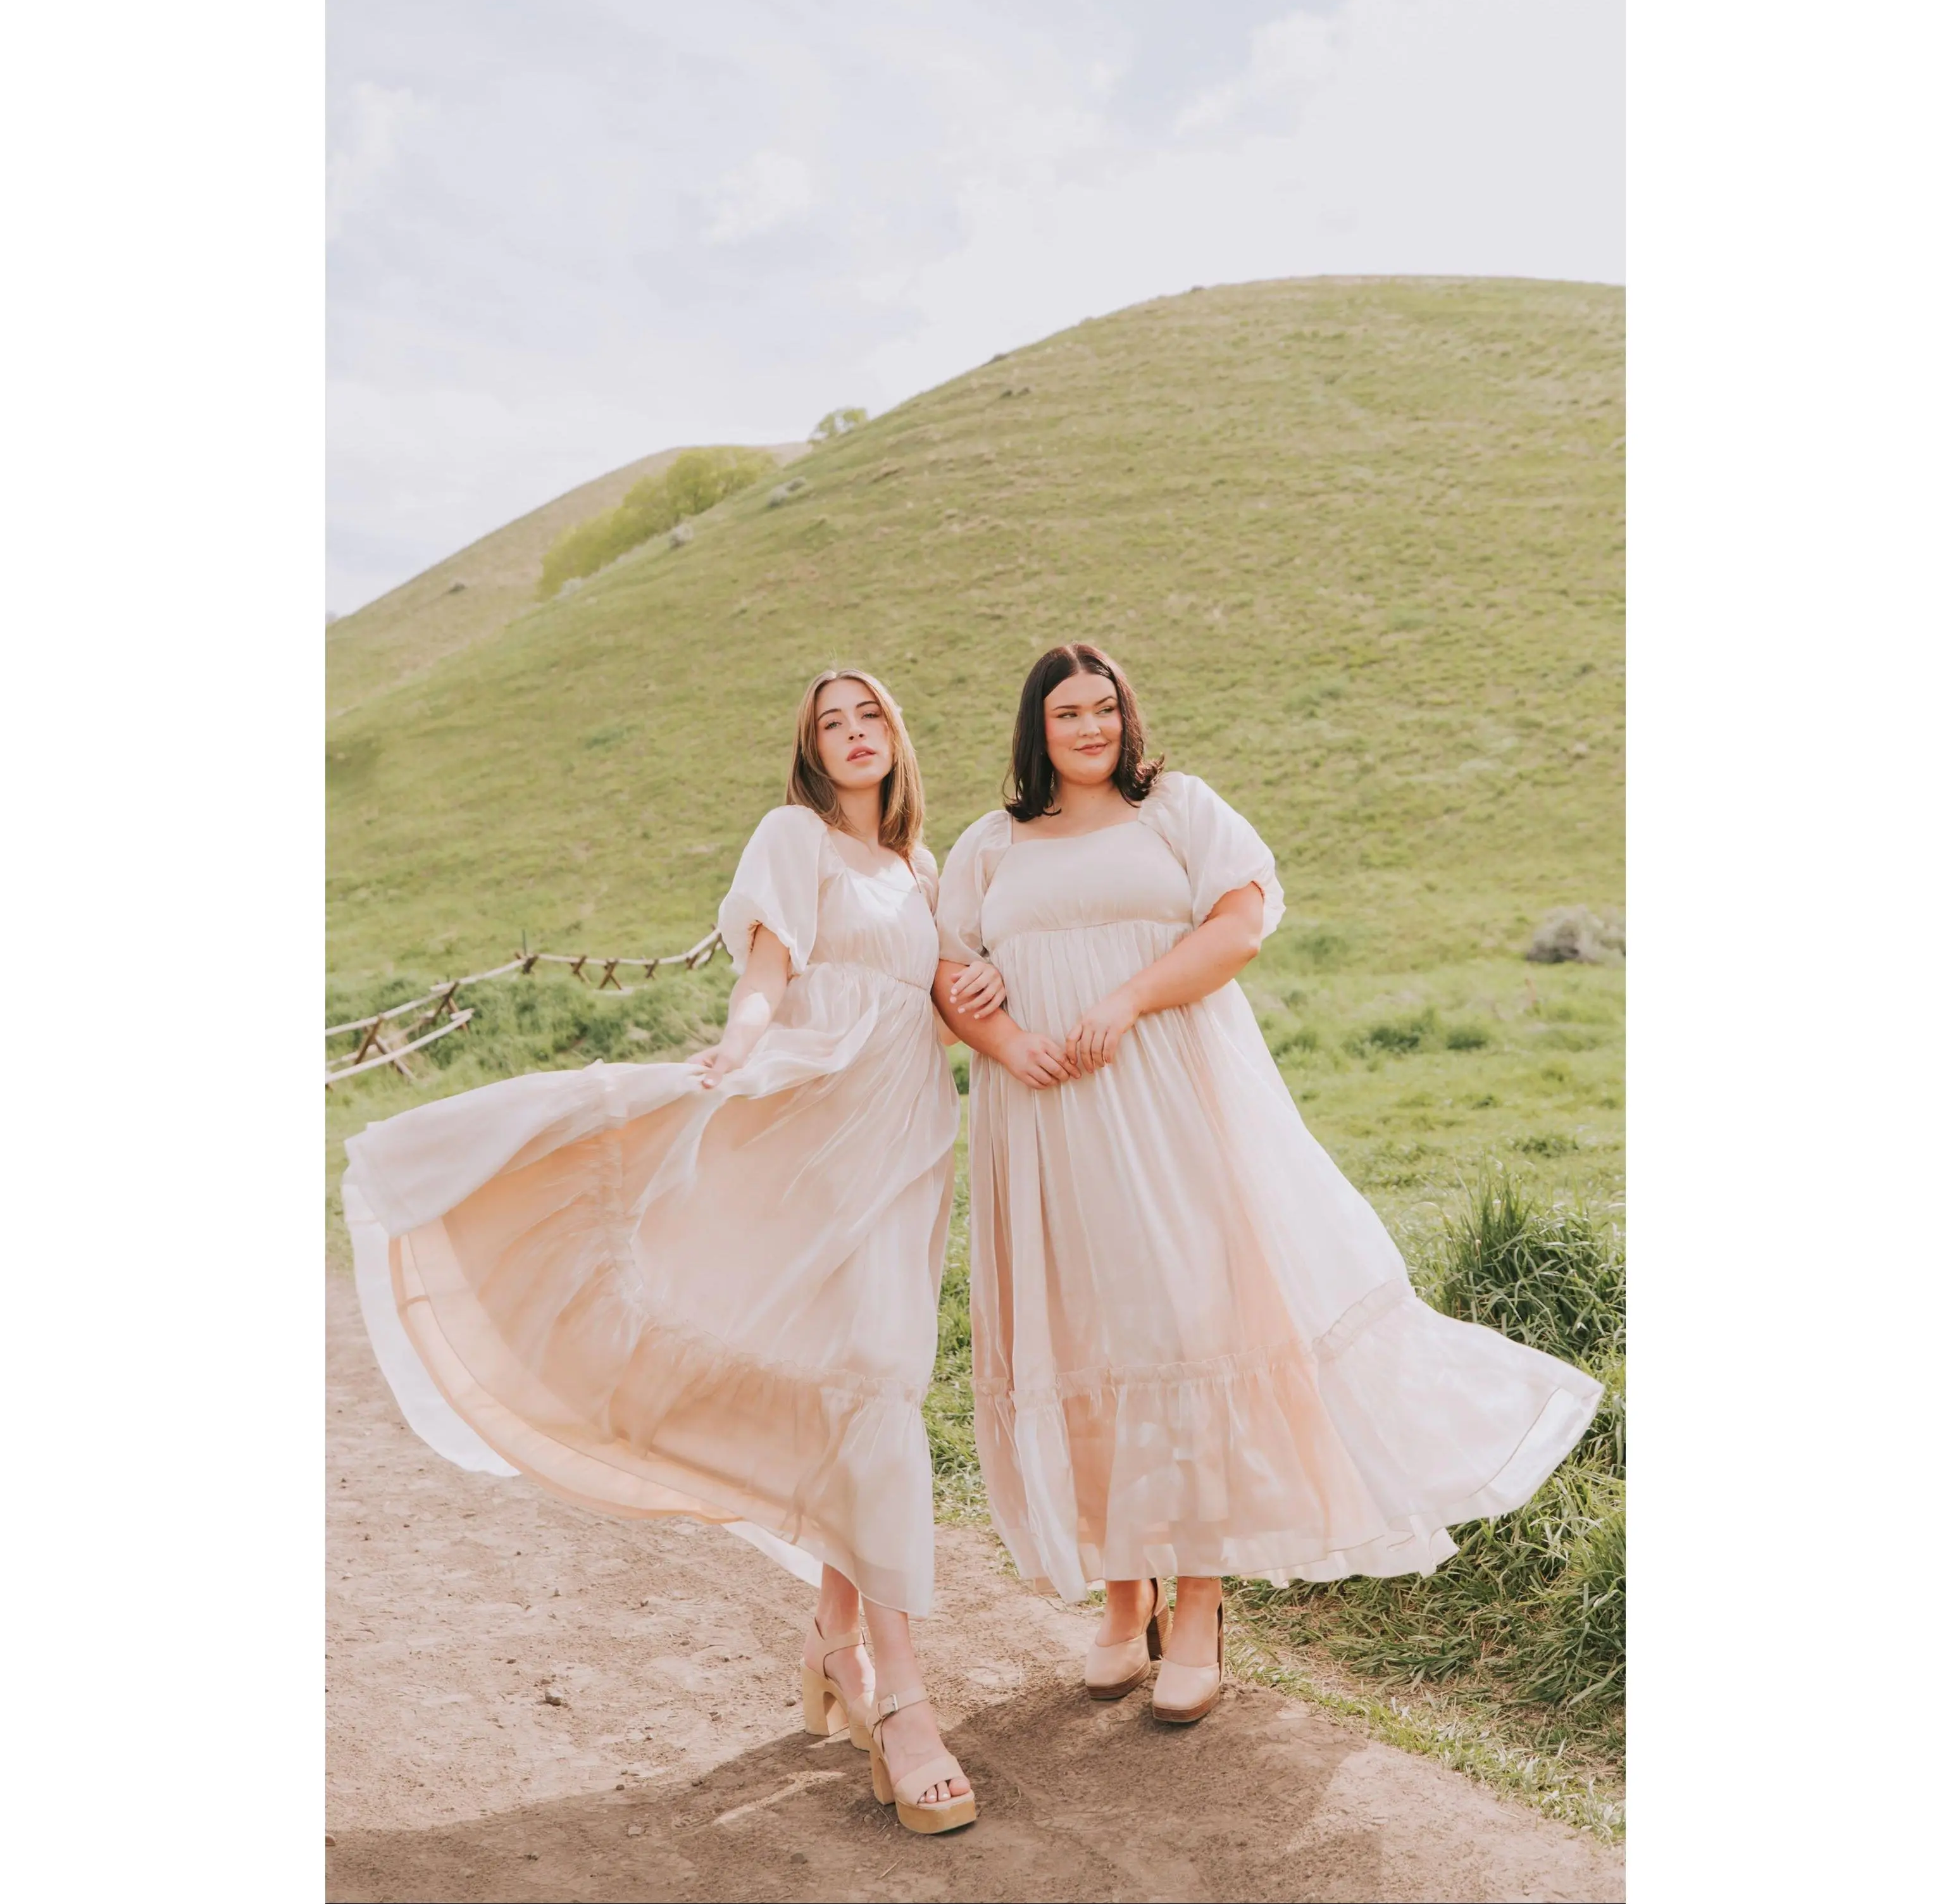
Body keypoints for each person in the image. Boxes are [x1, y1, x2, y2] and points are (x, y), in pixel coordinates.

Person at [344, 668, 975, 1832]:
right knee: (866, 1379)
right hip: (811, 1128)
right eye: (831, 723)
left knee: (870, 1379)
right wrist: (735, 1050)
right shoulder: (795, 837)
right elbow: (766, 975)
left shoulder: (918, 867)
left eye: (869, 716)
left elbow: (927, 1010)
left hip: (906, 1141)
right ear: (811, 750)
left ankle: (835, 1640)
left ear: (896, 735)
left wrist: (981, 989)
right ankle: (904, 1701)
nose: (853, 734)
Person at [933, 643, 1601, 1723]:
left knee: (1190, 1327)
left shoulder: (1178, 810)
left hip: (1173, 1103)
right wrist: (1005, 1041)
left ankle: (1198, 1598)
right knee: (1084, 1335)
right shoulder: (990, 843)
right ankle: (1124, 1591)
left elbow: (1238, 927)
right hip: (1047, 1119)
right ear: (1035, 729)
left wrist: (1125, 999)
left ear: (1126, 717)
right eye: (1067, 712)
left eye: (1105, 707)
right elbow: (946, 968)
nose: (1091, 727)